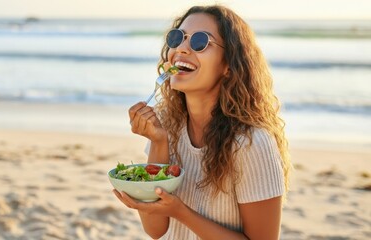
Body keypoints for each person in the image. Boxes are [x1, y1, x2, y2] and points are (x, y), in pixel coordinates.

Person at [113, 4, 291, 240]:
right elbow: (155, 229)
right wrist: (158, 141)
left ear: (229, 65)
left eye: (199, 42)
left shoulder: (250, 143)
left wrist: (181, 212)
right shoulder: (166, 122)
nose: (181, 49)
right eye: (177, 38)